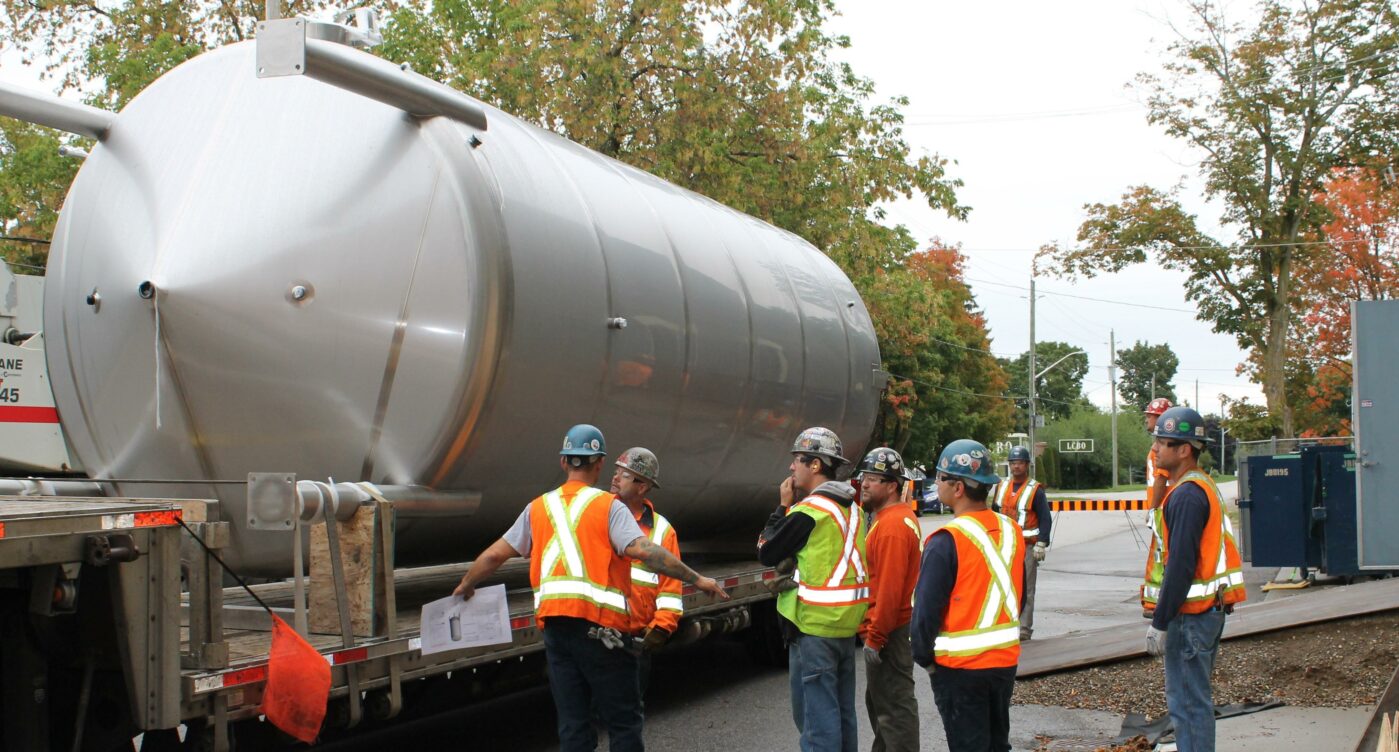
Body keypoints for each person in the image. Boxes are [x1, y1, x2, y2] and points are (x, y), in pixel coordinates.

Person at [452, 424, 729, 752]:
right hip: (603, 633)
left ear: (563, 462)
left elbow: (496, 553)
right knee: (623, 722)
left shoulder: (538, 508)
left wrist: (466, 585)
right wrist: (697, 579)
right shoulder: (609, 507)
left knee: (573, 725)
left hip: (556, 632)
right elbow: (644, 551)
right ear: (598, 464)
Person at [757, 426, 868, 752]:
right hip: (845, 628)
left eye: (798, 460)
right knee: (843, 713)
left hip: (813, 627)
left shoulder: (810, 511)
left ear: (816, 465)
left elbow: (766, 552)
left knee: (817, 721)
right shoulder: (855, 510)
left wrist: (781, 508)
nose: (792, 467)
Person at [1142, 407, 1246, 752]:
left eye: (1162, 441)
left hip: (1191, 616)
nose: (1155, 448)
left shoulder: (1187, 494)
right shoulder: (1198, 486)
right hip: (1203, 613)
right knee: (1193, 702)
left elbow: (1181, 566)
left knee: (1187, 705)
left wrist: (1160, 621)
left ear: (1184, 449)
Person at [911, 439, 1024, 752]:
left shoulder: (946, 541)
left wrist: (924, 658)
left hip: (959, 670)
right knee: (996, 744)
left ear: (957, 487)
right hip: (1004, 662)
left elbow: (925, 614)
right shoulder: (1011, 530)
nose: (937, 483)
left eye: (940, 477)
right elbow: (1019, 596)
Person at [854, 447, 921, 752]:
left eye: (873, 479)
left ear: (892, 485)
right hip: (888, 630)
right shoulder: (892, 519)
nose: (864, 484)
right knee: (882, 704)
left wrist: (875, 637)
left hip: (888, 632)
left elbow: (890, 591)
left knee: (893, 708)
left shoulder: (893, 526)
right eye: (864, 477)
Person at [610, 447, 683, 697]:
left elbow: (670, 588)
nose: (615, 478)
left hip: (635, 639)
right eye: (616, 471)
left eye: (624, 474)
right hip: (598, 636)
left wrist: (661, 628)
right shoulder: (597, 516)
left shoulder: (662, 530)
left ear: (642, 487)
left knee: (629, 715)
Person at [989, 445, 1051, 641]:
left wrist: (1042, 543)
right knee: (1003, 586)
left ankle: (1024, 629)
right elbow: (993, 513)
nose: (1016, 467)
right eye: (1013, 463)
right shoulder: (1001, 487)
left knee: (1026, 588)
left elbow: (1045, 518)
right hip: (1005, 545)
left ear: (1027, 465)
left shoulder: (1035, 491)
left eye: (1020, 463)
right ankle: (1004, 625)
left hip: (1027, 545)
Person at [1141, 396, 1174, 617]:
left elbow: (1160, 479)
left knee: (1160, 556)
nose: (1146, 420)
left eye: (1150, 416)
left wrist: (1153, 509)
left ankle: (1155, 603)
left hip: (1162, 507)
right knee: (1161, 554)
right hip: (1164, 506)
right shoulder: (1162, 445)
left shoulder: (1161, 448)